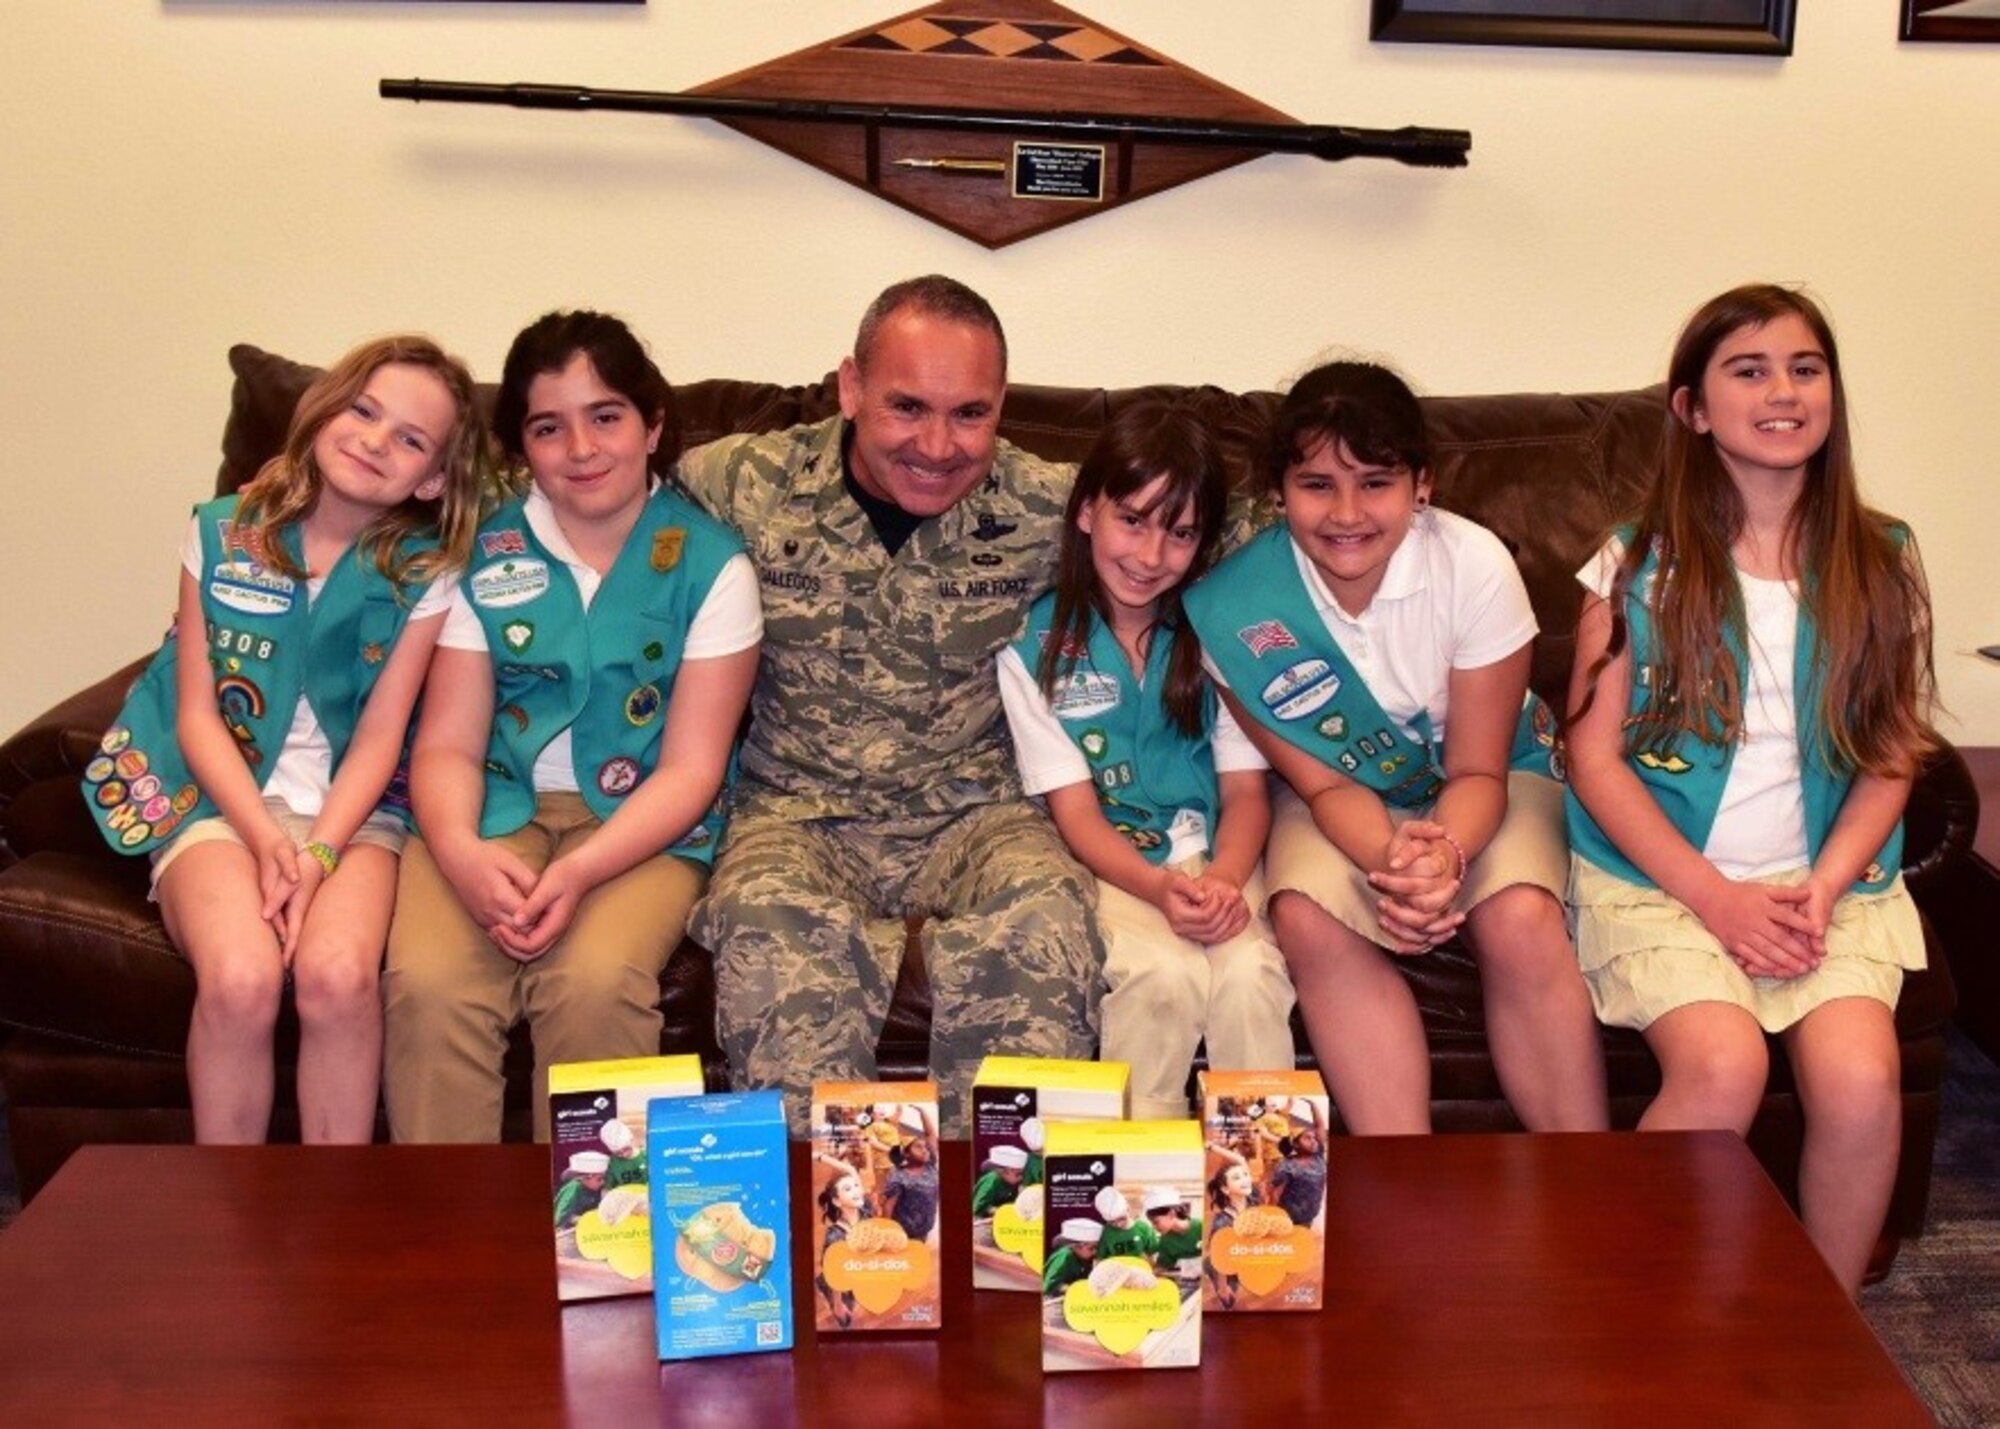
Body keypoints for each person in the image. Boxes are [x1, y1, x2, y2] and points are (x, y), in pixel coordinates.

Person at [1564, 284, 1936, 1298]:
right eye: (1748, 370)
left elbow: (1890, 753)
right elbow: (1589, 757)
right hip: (1664, 879)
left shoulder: (1880, 556)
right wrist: (1716, 899)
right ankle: (1626, 1311)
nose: (1781, 390)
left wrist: (1819, 887)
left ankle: (1821, 1327)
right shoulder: (1636, 561)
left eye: (1802, 368)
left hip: (1824, 880)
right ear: (1689, 408)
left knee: (1861, 1081)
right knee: (1720, 1064)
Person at [674, 275, 1098, 1134]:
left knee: (1051, 913)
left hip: (974, 811)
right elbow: (589, 507)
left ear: (1002, 405)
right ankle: (826, 1223)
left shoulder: (1052, 504)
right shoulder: (738, 483)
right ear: (850, 387)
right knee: (765, 924)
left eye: (971, 413)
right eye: (907, 407)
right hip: (796, 812)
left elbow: (1233, 531)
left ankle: (1000, 1219)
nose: (938, 445)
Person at [1183, 361, 1607, 1136]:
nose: (1347, 513)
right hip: (1343, 796)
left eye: (1375, 482)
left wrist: (1440, 860)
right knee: (1308, 916)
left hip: (1493, 775)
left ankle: (1586, 1170)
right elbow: (1326, 788)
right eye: (1316, 485)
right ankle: (1407, 1167)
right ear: (1278, 492)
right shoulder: (1233, 607)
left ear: (1423, 485)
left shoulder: (1474, 565)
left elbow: (1479, 769)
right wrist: (1394, 865)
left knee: (1518, 914)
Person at [83, 335, 485, 1145]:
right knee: (241, 976)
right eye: (364, 410)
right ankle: (230, 1212)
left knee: (337, 978)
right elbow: (196, 713)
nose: (376, 440)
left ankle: (331, 1220)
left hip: (354, 813)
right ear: (325, 409)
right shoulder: (224, 529)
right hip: (216, 799)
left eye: (410, 438)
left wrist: (317, 855)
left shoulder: (427, 569)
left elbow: (381, 736)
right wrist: (267, 839)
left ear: (434, 477)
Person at [384, 311, 761, 1142]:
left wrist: (582, 869)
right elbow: (446, 742)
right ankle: (448, 1244)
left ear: (654, 425)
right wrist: (460, 852)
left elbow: (694, 769)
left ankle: (597, 1250)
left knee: (593, 981)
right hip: (490, 806)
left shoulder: (713, 563)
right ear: (521, 446)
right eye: (550, 428)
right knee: (429, 983)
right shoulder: (482, 550)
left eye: (607, 417)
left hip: (644, 827)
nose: (583, 449)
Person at [998, 400, 1296, 1120]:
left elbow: (1248, 793)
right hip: (1121, 865)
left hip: (1221, 856)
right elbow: (1075, 813)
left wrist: (1224, 880)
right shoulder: (1032, 649)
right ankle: (1135, 1176)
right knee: (1160, 976)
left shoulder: (1217, 633)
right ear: (1087, 512)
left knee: (1252, 973)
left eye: (1180, 534)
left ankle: (1265, 1182)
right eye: (1132, 519)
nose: (1150, 555)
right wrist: (1159, 889)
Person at [879, 1105, 940, 1242]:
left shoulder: (930, 1165)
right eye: (918, 1147)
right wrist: (888, 1233)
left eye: (924, 1147)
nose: (924, 1150)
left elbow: (930, 1135)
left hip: (925, 1225)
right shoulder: (898, 1176)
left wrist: (923, 1112)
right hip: (903, 1230)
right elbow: (888, 1207)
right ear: (906, 1154)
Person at [1266, 1100, 1327, 1228]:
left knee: (1303, 1238)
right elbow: (1274, 1194)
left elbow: (1320, 1126)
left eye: (1314, 1138)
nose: (1313, 1141)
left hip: (1310, 1214)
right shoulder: (1287, 1166)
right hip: (1289, 1218)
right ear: (1296, 1144)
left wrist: (1313, 1105)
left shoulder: (1318, 1156)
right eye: (1307, 1138)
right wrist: (1274, 1219)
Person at [1042, 1217, 1104, 1296]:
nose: (1095, 1252)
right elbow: (1049, 1286)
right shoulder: (1065, 1255)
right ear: (1077, 1246)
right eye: (1091, 1248)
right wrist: (1075, 1289)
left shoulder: (1084, 1258)